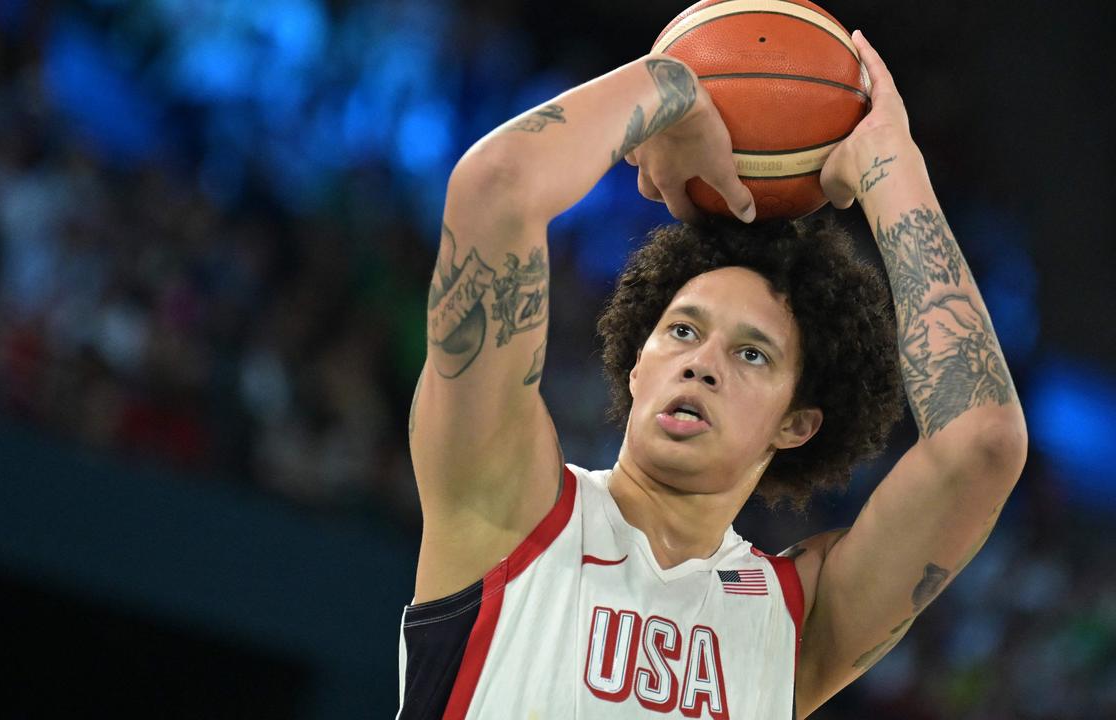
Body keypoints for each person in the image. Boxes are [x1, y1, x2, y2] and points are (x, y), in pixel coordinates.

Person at [399, 30, 1026, 719]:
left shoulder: (795, 621)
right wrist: (673, 87)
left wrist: (891, 165)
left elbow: (982, 444)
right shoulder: (510, 503)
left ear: (797, 422)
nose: (701, 364)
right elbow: (495, 189)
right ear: (638, 364)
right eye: (683, 331)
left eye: (751, 354)